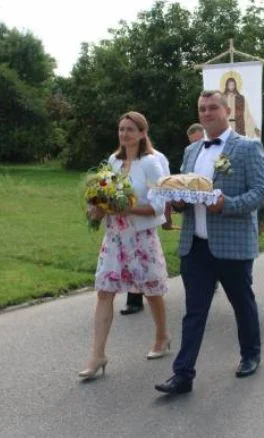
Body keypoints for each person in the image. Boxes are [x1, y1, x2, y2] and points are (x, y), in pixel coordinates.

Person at [154, 90, 264, 395]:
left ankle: (250, 354)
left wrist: (226, 204)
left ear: (226, 110)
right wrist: (177, 202)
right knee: (194, 312)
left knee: (242, 303)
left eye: (212, 108)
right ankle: (183, 374)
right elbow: (185, 195)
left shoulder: (247, 147)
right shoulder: (192, 152)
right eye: (202, 109)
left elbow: (261, 193)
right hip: (196, 245)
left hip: (232, 245)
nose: (206, 113)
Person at [79, 111, 169, 380]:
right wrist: (96, 208)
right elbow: (103, 194)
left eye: (130, 129)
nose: (124, 134)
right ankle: (97, 355)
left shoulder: (151, 163)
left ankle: (162, 336)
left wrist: (125, 207)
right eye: (121, 129)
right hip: (115, 237)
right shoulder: (113, 161)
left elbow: (157, 206)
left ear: (143, 133)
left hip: (141, 238)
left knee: (151, 291)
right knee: (104, 291)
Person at [120, 147, 173, 316]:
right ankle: (134, 300)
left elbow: (165, 188)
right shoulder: (120, 159)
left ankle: (150, 298)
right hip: (123, 224)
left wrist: (167, 216)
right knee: (130, 258)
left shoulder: (157, 158)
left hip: (145, 217)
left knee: (144, 261)